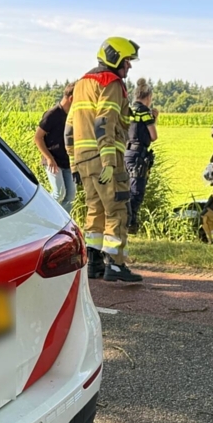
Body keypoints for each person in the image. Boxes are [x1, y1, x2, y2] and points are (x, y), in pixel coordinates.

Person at [65, 37, 143, 282]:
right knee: (117, 210)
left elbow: (69, 127)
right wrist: (109, 162)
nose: (129, 66)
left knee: (95, 209)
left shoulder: (81, 84)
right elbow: (104, 121)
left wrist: (73, 162)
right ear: (115, 58)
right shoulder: (111, 83)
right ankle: (116, 264)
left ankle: (94, 263)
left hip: (84, 159)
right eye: (127, 60)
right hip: (105, 158)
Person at [33, 83, 77, 213]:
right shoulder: (52, 114)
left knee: (70, 196)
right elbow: (38, 138)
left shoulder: (73, 116)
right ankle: (41, 213)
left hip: (68, 162)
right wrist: (49, 158)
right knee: (59, 193)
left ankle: (62, 221)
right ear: (71, 98)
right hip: (53, 161)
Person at [124, 77, 159, 234]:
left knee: (125, 189)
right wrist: (154, 118)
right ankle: (130, 223)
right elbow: (153, 136)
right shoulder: (145, 112)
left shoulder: (129, 110)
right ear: (148, 97)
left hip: (127, 152)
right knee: (136, 191)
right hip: (138, 154)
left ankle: (124, 221)